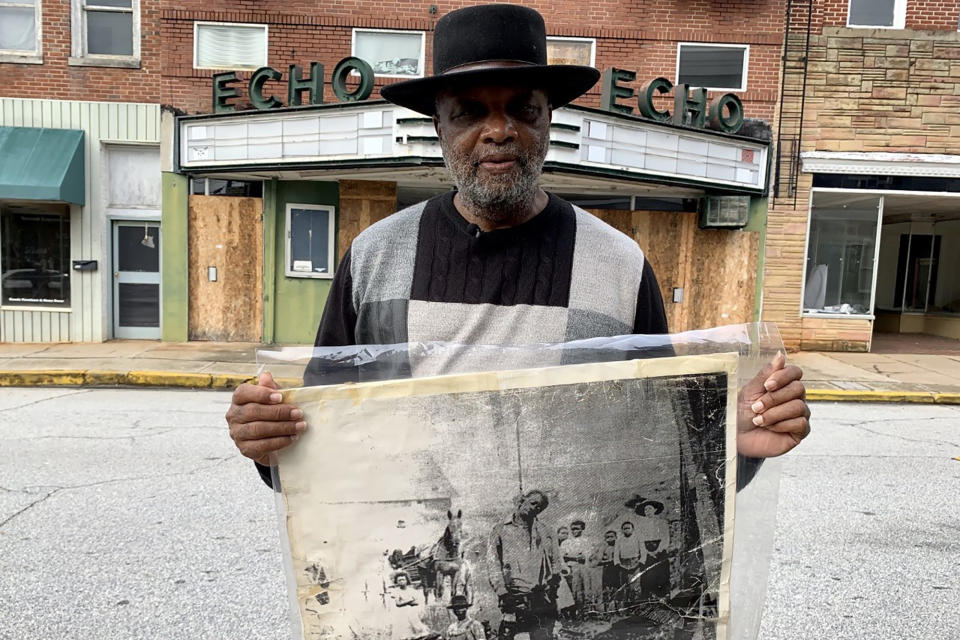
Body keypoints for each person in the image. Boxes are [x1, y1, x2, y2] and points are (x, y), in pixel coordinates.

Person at [225, 3, 811, 486]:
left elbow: (656, 449)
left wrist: (735, 444)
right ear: (439, 126)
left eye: (522, 110)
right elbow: (324, 440)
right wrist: (271, 445)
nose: (500, 130)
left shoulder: (618, 265)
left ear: (549, 119)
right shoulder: (376, 258)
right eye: (470, 112)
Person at [487, 490, 563, 639]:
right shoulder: (500, 529)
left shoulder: (545, 531)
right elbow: (493, 563)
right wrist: (502, 592)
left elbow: (555, 561)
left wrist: (554, 583)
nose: (535, 508)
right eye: (533, 503)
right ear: (523, 500)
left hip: (541, 596)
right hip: (513, 596)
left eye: (539, 508)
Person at [559, 519, 592, 612]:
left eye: (577, 529)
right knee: (573, 590)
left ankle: (585, 611)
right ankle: (573, 612)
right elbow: (562, 557)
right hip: (571, 569)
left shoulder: (586, 541)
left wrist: (570, 557)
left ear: (582, 529)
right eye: (573, 529)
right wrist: (574, 557)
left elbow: (584, 557)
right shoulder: (566, 543)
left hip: (583, 568)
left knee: (585, 588)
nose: (574, 531)